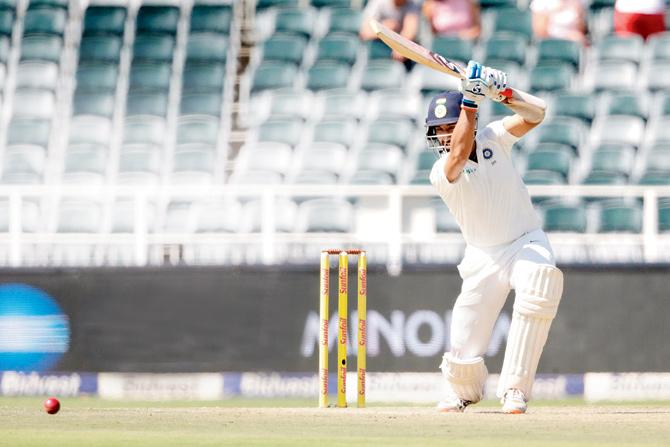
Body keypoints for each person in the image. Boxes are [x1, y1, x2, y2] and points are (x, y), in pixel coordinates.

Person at [426, 61, 563, 414]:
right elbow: (457, 153)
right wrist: (470, 102)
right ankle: (462, 391)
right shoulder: (440, 172)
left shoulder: (493, 137)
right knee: (464, 344)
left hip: (524, 242)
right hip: (483, 257)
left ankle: (515, 390)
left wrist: (500, 92)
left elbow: (537, 113)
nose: (443, 135)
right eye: (437, 130)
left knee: (539, 281)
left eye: (447, 126)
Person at [359, 0, 420, 65]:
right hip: (377, 51)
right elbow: (365, 32)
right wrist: (384, 29)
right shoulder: (378, 2)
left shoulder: (412, 4)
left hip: (399, 53)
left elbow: (410, 30)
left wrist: (401, 47)